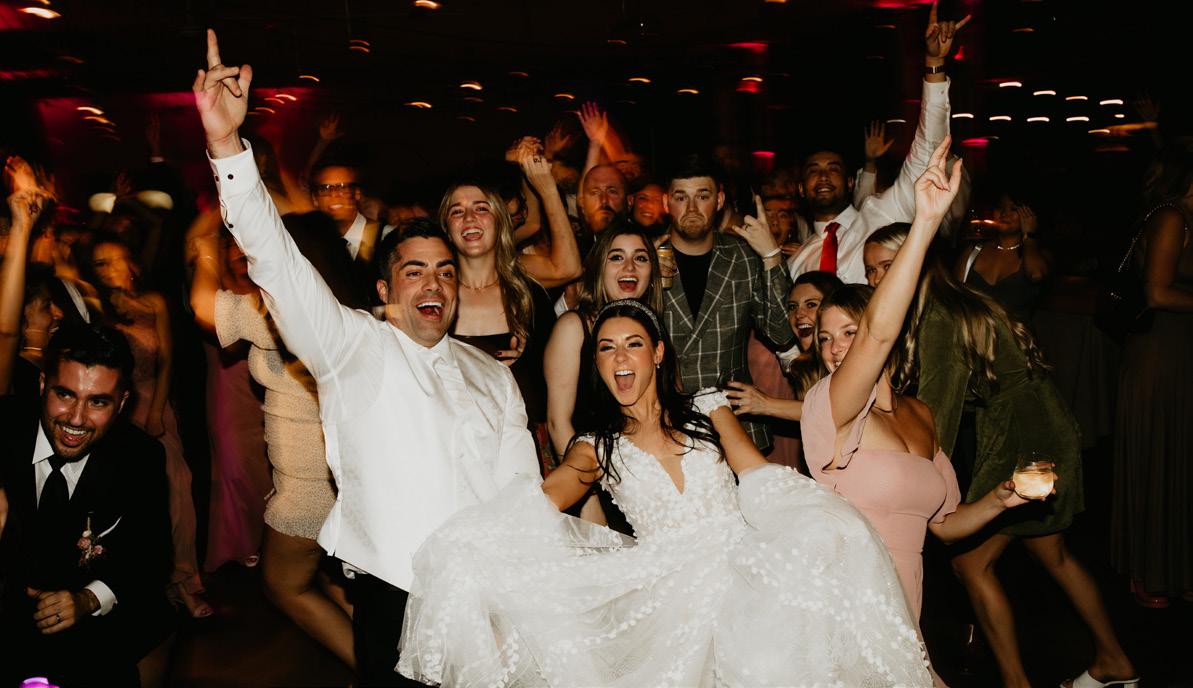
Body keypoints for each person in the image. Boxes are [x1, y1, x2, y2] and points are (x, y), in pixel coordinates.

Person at [192, 31, 540, 685]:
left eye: (444, 271)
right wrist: (228, 147)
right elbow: (279, 264)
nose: (433, 283)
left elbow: (519, 490)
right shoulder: (354, 347)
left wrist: (514, 591)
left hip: (485, 597)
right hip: (395, 596)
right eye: (414, 271)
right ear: (384, 290)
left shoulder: (493, 374)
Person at [398, 299, 933, 687]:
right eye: (606, 348)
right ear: (596, 364)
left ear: (657, 353)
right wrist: (477, 539)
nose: (619, 357)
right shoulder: (597, 445)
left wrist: (814, 517)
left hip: (743, 573)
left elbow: (755, 472)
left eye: (633, 344)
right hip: (669, 598)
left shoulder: (707, 408)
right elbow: (546, 498)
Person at [867, 222, 1137, 687]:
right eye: (871, 270)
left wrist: (905, 479)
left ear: (919, 261)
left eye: (888, 266)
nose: (876, 279)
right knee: (1052, 554)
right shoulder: (946, 302)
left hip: (1024, 435)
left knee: (971, 563)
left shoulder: (939, 319)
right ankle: (1115, 662)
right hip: (1038, 423)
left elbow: (934, 421)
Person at [802, 140, 1030, 668]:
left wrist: (1004, 498)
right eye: (824, 337)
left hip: (906, 603)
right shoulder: (831, 405)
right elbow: (877, 336)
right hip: (847, 595)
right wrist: (925, 223)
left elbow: (944, 524)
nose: (834, 348)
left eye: (849, 333)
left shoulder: (920, 413)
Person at [189, 210, 359, 668]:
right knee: (326, 579)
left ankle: (375, 672)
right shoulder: (346, 309)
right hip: (337, 476)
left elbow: (203, 307)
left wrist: (204, 257)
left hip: (309, 486)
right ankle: (382, 656)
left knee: (283, 585)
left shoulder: (280, 313)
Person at [0, 324, 175, 687]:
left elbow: (152, 557)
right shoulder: (2, 427)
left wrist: (88, 599)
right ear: (42, 384)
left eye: (98, 402)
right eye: (65, 394)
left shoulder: (141, 459)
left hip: (89, 620)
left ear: (122, 403)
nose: (76, 419)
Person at [786, 2, 962, 284]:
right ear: (800, 189)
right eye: (813, 170)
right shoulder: (796, 263)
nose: (823, 176)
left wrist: (934, 64)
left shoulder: (883, 214)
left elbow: (928, 151)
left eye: (833, 169)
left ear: (851, 182)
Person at [87, 233, 210, 619]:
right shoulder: (95, 309)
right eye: (100, 263)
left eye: (115, 258)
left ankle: (185, 581)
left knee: (179, 493)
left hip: (156, 406)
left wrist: (157, 411)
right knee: (139, 505)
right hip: (116, 415)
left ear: (131, 263)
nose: (109, 269)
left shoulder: (154, 303)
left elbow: (168, 361)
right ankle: (151, 584)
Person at [659, 156, 794, 450]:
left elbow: (782, 334)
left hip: (736, 422)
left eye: (702, 196)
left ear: (719, 200)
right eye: (681, 197)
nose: (692, 209)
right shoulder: (644, 259)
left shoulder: (743, 256)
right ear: (666, 202)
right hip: (668, 423)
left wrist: (771, 256)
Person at [1112, 152, 1193, 611]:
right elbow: (1158, 292)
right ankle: (1151, 571)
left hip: (1181, 353)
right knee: (1159, 459)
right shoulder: (1171, 216)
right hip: (1160, 357)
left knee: (1180, 462)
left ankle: (1179, 570)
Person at [543, 221, 661, 530]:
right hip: (592, 479)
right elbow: (558, 422)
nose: (629, 267)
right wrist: (589, 497)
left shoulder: (654, 331)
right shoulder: (574, 327)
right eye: (617, 257)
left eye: (640, 257)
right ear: (598, 269)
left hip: (644, 480)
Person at [957, 191, 1050, 324]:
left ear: (1030, 215)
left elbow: (1036, 274)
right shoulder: (973, 251)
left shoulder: (1037, 255)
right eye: (1000, 207)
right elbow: (954, 298)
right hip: (973, 335)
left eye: (1013, 208)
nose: (1005, 213)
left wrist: (1030, 235)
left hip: (1016, 337)